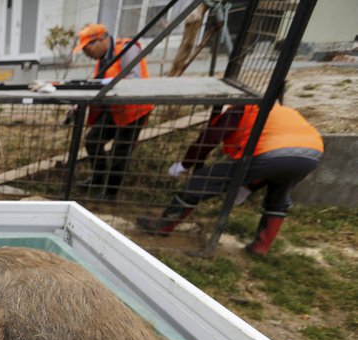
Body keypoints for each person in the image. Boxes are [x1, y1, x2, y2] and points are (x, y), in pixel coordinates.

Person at [136, 102, 324, 256]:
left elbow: (210, 138)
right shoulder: (283, 111)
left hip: (269, 154)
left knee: (201, 182)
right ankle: (261, 247)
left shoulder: (243, 109)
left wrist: (186, 163)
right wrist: (248, 187)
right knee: (278, 196)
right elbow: (280, 162)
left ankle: (164, 226)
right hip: (311, 154)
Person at [73, 23, 154, 200]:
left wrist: (107, 88)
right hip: (115, 108)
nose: (87, 54)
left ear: (100, 40)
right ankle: (98, 178)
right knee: (93, 140)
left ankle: (110, 193)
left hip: (134, 109)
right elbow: (98, 83)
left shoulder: (127, 49)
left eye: (87, 49)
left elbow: (134, 80)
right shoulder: (103, 58)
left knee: (120, 151)